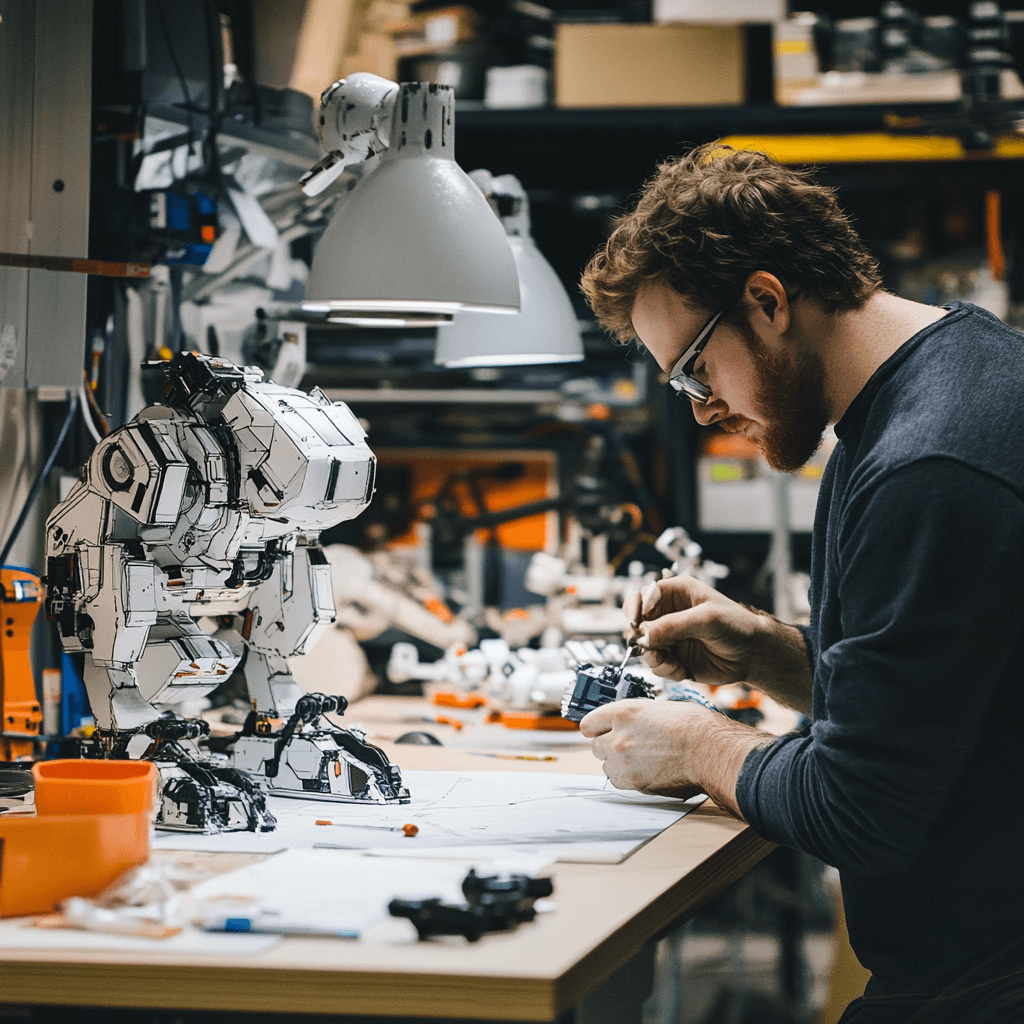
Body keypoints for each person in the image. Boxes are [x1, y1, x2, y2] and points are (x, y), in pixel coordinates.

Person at [577, 143, 1024, 1023]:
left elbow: (862, 809)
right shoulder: (958, 375)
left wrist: (697, 747)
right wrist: (770, 654)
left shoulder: (926, 464)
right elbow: (949, 696)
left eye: (696, 370)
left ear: (768, 301)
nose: (702, 408)